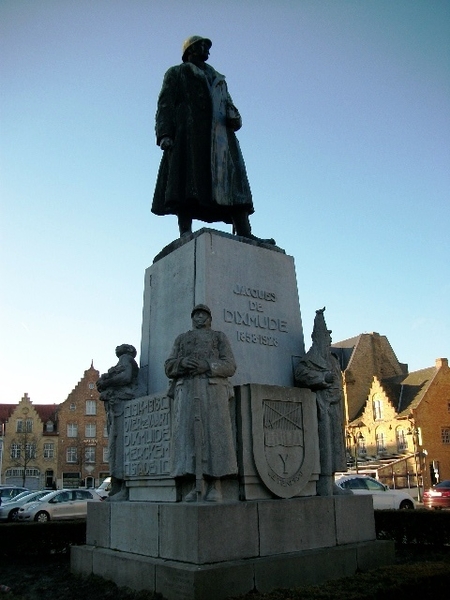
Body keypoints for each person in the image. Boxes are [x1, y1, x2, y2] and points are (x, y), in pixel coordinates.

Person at [152, 35, 275, 245]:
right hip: (189, 134)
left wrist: (234, 117)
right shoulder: (176, 73)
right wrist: (164, 134)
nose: (206, 49)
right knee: (187, 181)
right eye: (201, 45)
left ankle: (244, 231)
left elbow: (229, 105)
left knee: (235, 184)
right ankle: (185, 232)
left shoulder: (219, 79)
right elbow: (165, 105)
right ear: (189, 50)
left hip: (221, 141)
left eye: (207, 46)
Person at [165, 304, 238, 502]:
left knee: (216, 436)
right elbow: (169, 365)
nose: (199, 318)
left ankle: (216, 485)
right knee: (190, 438)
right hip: (187, 390)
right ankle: (197, 485)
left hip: (213, 390)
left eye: (203, 315)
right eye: (196, 315)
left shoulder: (219, 337)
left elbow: (230, 365)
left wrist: (208, 365)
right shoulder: (182, 339)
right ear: (192, 318)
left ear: (209, 318)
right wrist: (181, 364)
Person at [294, 308, 347, 496]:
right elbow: (300, 374)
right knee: (324, 447)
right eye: (325, 337)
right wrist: (322, 378)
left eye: (329, 337)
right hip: (321, 407)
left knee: (335, 446)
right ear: (317, 338)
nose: (328, 341)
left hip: (335, 408)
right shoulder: (311, 358)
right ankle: (323, 483)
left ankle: (332, 481)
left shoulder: (333, 359)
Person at [97, 344, 141, 500]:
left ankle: (124, 486)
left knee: (121, 446)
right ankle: (117, 486)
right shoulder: (122, 361)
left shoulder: (127, 359)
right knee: (115, 446)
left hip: (122, 407)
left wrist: (107, 382)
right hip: (115, 408)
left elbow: (126, 377)